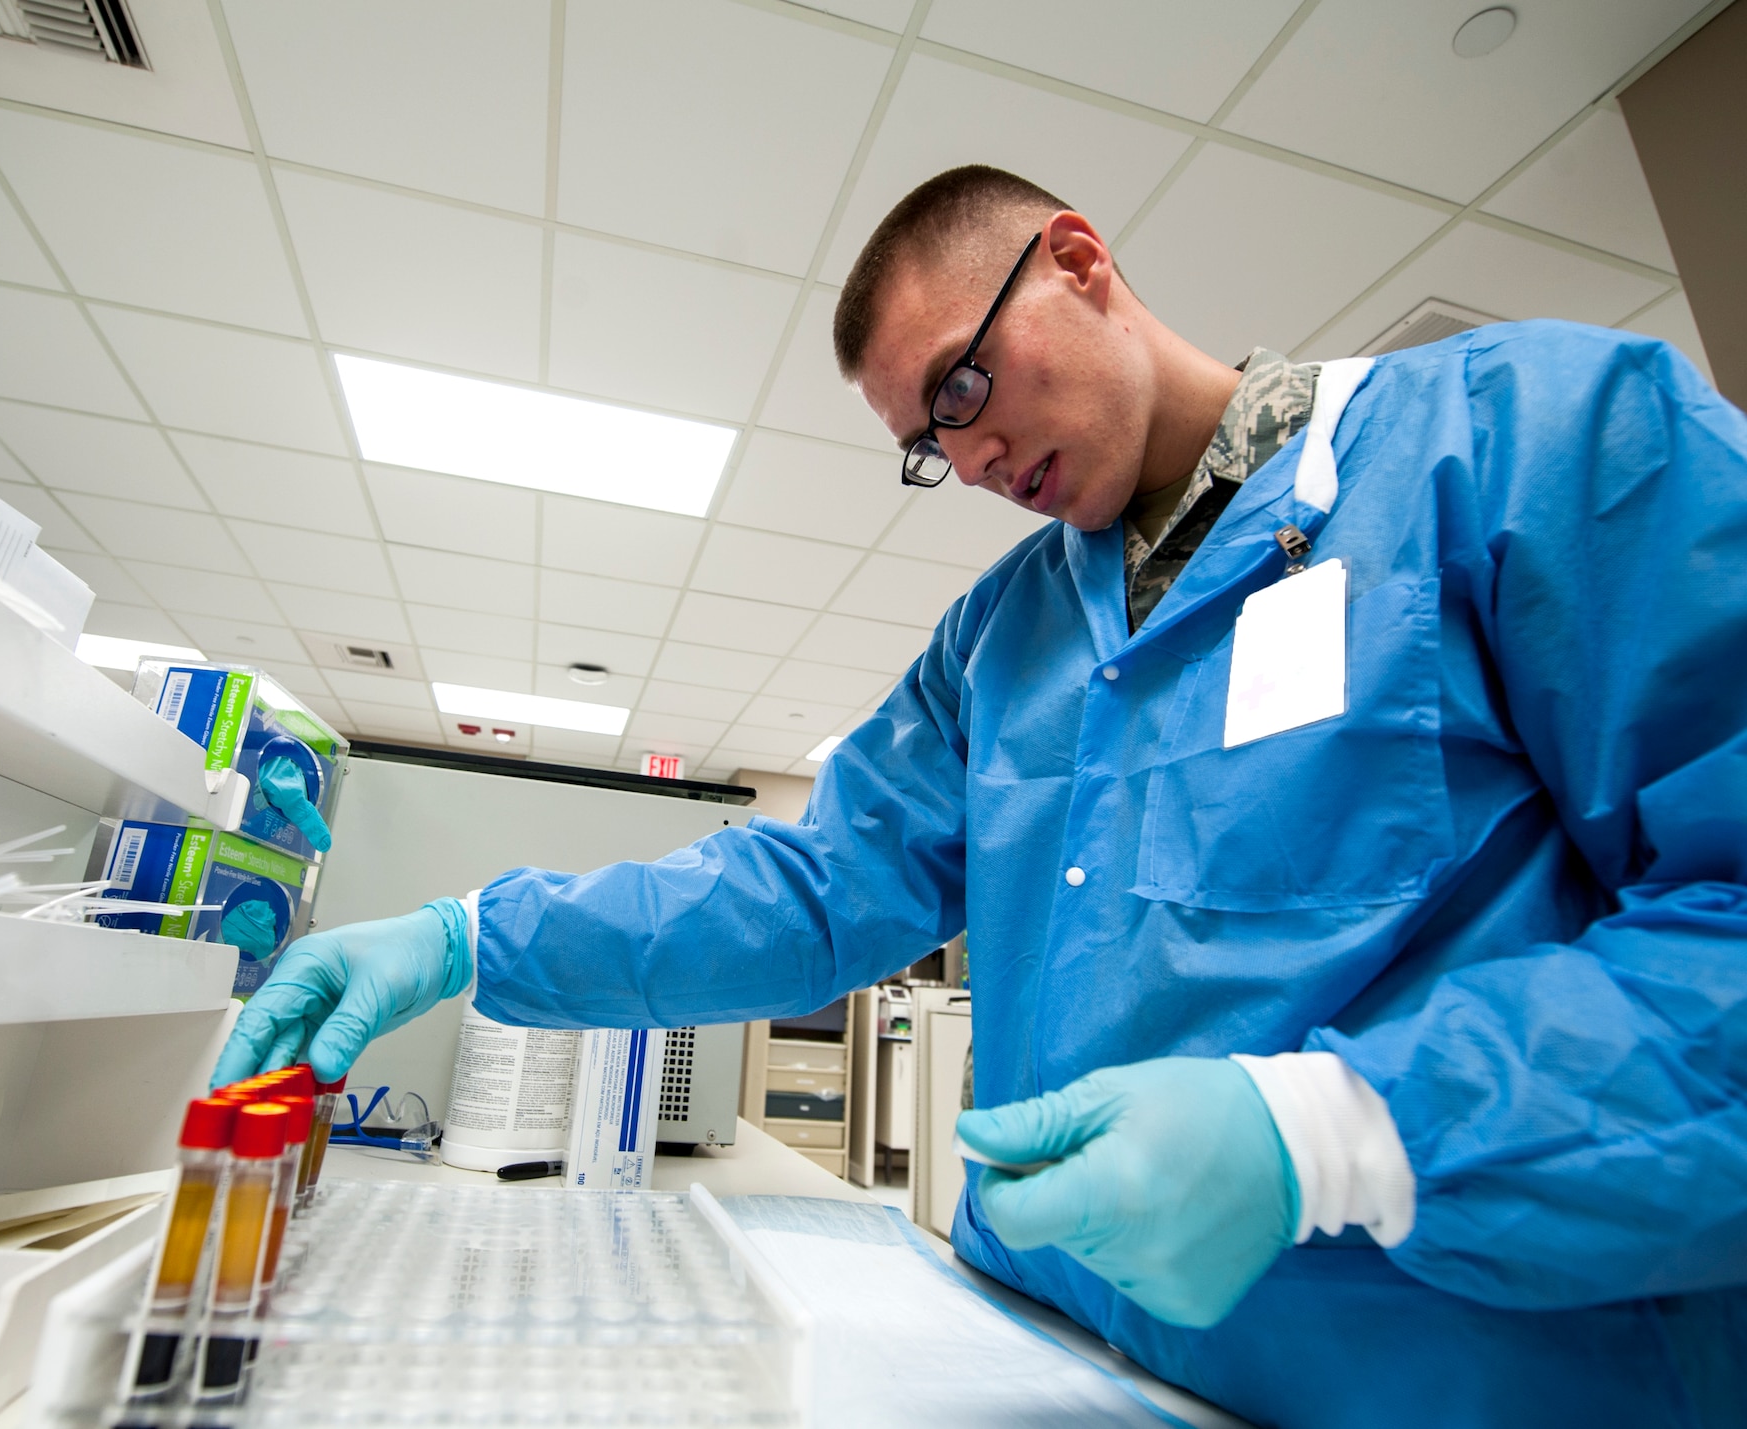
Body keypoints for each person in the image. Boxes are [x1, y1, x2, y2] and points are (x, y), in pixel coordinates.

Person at [211, 166, 1747, 1427]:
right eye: (926, 441)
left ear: (1076, 259)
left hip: (1469, 1377)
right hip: (1059, 1354)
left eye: (964, 383)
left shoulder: (1531, 439)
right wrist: (473, 934)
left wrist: (1338, 1136)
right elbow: (813, 886)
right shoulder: (1004, 643)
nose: (972, 450)